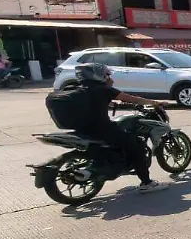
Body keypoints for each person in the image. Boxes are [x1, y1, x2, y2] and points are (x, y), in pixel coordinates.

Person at [57, 63, 166, 193]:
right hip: (103, 130)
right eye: (107, 75)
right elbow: (132, 99)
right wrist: (154, 102)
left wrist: (108, 103)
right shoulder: (104, 90)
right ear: (98, 75)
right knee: (137, 148)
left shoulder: (78, 90)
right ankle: (146, 183)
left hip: (82, 130)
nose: (109, 77)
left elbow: (90, 105)